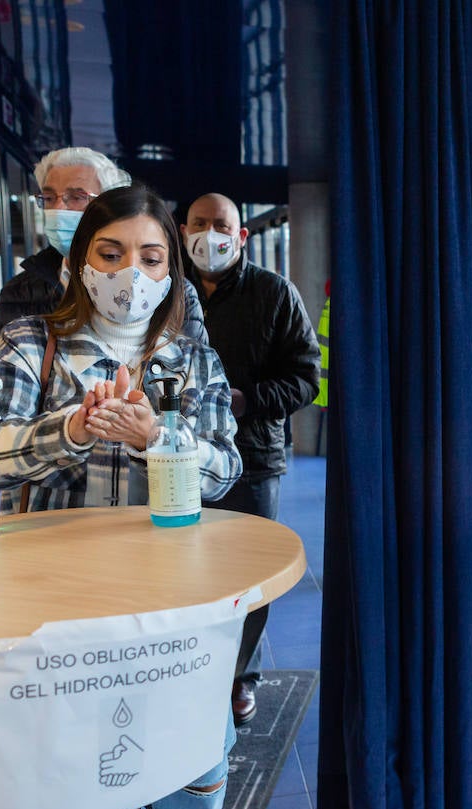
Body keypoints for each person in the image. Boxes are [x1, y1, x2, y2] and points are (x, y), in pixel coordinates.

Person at [0, 184, 242, 809]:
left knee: (201, 746)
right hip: (61, 603)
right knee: (96, 764)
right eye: (112, 253)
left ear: (172, 270)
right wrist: (74, 431)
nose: (132, 274)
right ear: (81, 261)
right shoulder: (33, 345)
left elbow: (226, 468)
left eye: (152, 257)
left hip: (170, 596)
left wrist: (161, 440)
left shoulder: (189, 355)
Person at [180, 192, 320, 727]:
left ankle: (239, 676)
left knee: (249, 577)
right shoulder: (164, 290)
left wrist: (248, 401)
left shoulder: (274, 293)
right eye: (199, 223)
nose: (209, 234)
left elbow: (306, 377)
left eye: (222, 225)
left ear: (241, 237)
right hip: (177, 459)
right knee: (189, 572)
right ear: (182, 228)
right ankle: (193, 672)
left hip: (254, 457)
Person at [0, 146, 207, 365]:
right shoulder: (19, 292)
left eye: (77, 197)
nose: (58, 210)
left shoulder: (174, 292)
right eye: (49, 198)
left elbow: (192, 372)